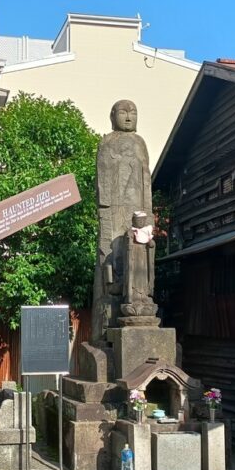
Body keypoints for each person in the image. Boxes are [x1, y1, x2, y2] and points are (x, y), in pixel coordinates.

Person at [92, 100, 153, 337]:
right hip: (115, 208)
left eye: (133, 113)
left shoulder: (140, 143)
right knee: (114, 254)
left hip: (137, 209)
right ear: (112, 116)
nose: (128, 117)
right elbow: (102, 179)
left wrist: (148, 212)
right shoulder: (107, 142)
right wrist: (105, 208)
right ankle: (114, 291)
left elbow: (146, 179)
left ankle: (141, 295)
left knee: (139, 255)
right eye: (123, 112)